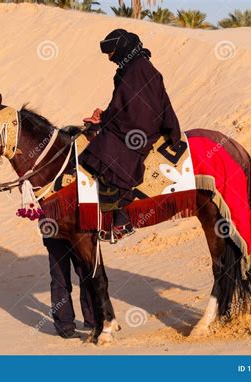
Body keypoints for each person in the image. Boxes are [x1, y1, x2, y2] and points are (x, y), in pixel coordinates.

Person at [79, 29, 181, 242]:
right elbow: (124, 105)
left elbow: (137, 110)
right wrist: (104, 116)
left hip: (141, 127)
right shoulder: (132, 67)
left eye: (111, 52)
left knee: (104, 150)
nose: (109, 58)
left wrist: (106, 121)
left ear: (122, 48)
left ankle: (121, 218)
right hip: (134, 121)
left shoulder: (138, 70)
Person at [43, 238, 95, 338]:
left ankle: (94, 319)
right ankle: (64, 325)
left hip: (80, 232)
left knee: (88, 275)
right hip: (55, 234)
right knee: (60, 280)